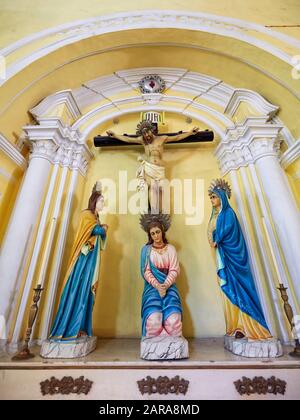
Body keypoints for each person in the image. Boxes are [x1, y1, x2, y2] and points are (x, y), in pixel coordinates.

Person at [207, 179, 272, 340]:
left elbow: (229, 232)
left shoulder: (228, 214)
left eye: (214, 197)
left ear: (222, 197)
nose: (212, 200)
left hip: (232, 258)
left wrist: (218, 238)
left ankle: (250, 326)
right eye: (210, 198)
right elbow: (211, 233)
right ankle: (236, 325)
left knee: (239, 288)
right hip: (222, 256)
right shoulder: (216, 216)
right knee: (228, 290)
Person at [49, 182, 108, 340]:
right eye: (101, 201)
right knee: (79, 290)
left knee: (87, 292)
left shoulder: (95, 217)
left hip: (91, 261)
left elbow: (98, 235)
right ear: (94, 201)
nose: (103, 204)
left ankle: (81, 328)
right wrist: (102, 229)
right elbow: (93, 231)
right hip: (82, 261)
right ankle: (68, 328)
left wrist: (102, 228)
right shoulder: (86, 215)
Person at [107, 121, 199, 212]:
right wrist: (115, 135)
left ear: (152, 130)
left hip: (159, 169)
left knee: (162, 190)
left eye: (147, 132)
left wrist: (190, 132)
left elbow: (177, 137)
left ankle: (160, 211)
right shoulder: (142, 140)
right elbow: (128, 139)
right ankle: (154, 212)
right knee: (152, 188)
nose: (146, 136)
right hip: (149, 168)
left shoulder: (162, 139)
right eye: (144, 134)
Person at [140, 214, 183, 338]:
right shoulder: (146, 250)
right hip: (152, 289)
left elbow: (174, 269)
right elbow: (146, 271)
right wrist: (158, 286)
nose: (155, 236)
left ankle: (168, 336)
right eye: (152, 233)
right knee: (153, 322)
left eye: (157, 232)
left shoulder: (171, 249)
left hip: (169, 288)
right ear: (149, 235)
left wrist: (165, 285)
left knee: (174, 323)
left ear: (162, 232)